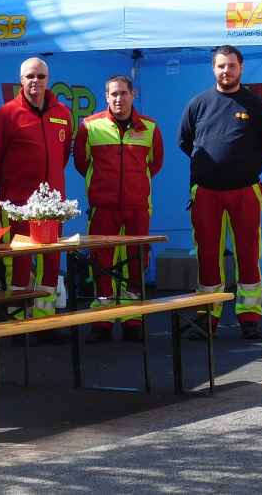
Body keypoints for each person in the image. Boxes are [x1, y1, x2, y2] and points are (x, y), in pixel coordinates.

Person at [178, 45, 262, 340]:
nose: (226, 71)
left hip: (245, 191)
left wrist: (243, 164)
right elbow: (185, 142)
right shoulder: (198, 104)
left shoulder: (255, 105)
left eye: (231, 66)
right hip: (207, 192)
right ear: (213, 69)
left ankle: (250, 318)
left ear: (241, 68)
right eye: (221, 66)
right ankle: (207, 317)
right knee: (208, 256)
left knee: (248, 254)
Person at [74, 75, 164, 344]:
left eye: (123, 93)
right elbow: (82, 163)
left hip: (137, 207)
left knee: (137, 262)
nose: (118, 99)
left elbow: (155, 164)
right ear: (106, 96)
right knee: (101, 263)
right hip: (103, 208)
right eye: (113, 94)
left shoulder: (149, 127)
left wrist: (134, 188)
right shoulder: (89, 126)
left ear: (132, 95)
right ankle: (102, 319)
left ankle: (133, 320)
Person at [0, 57, 74, 332]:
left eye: (39, 76)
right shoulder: (5, 115)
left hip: (52, 207)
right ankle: (18, 321)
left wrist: (49, 194)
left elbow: (62, 156)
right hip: (18, 206)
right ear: (21, 80)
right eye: (29, 76)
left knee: (51, 262)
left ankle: (45, 321)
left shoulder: (63, 112)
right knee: (20, 262)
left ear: (47, 79)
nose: (34, 81)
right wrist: (14, 192)